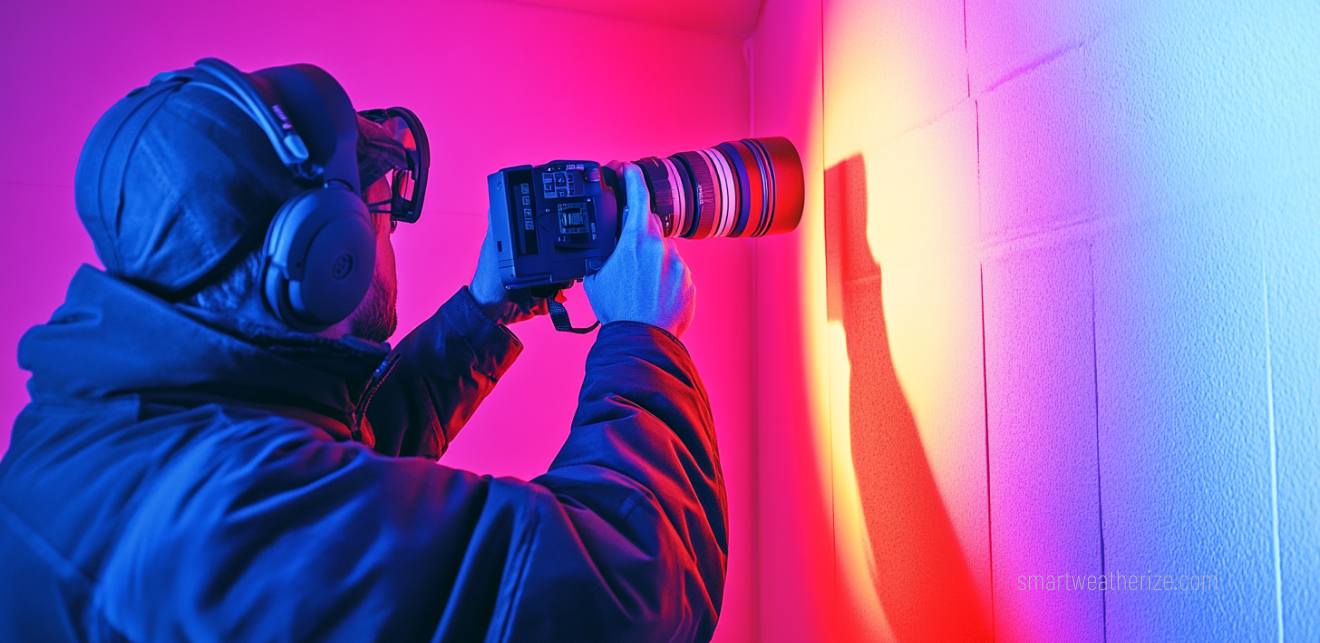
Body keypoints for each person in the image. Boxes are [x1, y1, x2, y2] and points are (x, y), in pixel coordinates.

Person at [0, 62, 726, 641]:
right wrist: (643, 338)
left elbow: (321, 470)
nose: (388, 233)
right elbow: (634, 592)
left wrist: (484, 310)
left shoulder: (95, 428)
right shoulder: (230, 521)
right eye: (377, 211)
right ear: (324, 260)